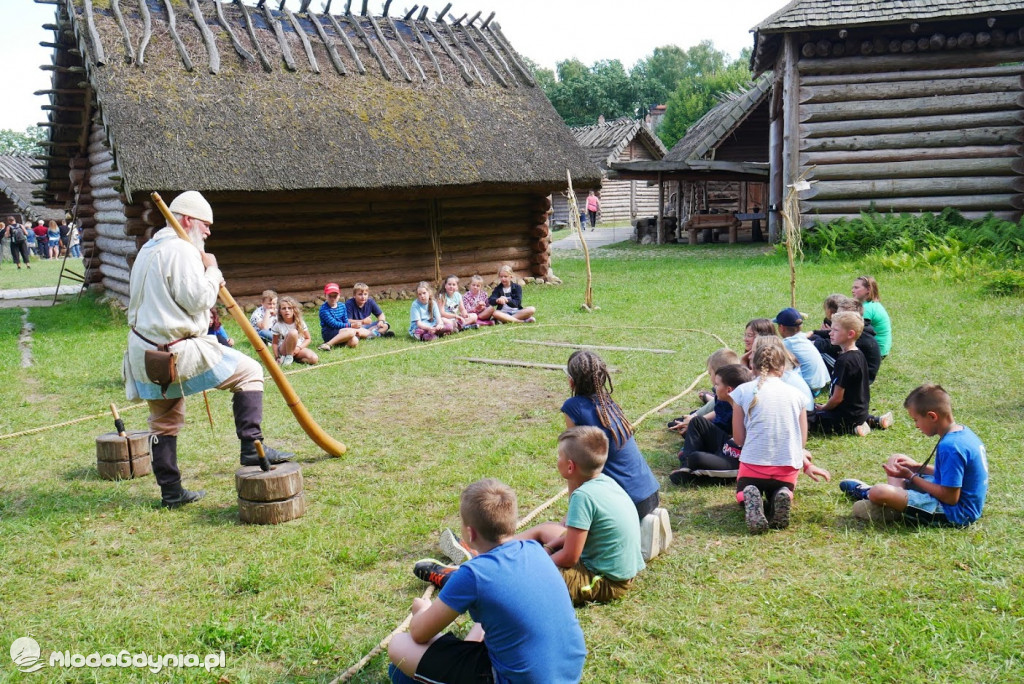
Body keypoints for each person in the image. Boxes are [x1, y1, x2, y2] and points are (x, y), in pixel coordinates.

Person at [123, 191, 293, 508]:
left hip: (144, 352)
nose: (208, 231)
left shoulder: (148, 248)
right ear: (187, 220)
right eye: (205, 224)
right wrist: (213, 271)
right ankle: (250, 446)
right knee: (251, 372)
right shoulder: (181, 250)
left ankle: (171, 492)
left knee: (163, 422)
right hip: (177, 350)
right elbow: (199, 299)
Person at [391, 479, 586, 684]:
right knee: (401, 673)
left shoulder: (473, 574)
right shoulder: (535, 550)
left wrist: (421, 609)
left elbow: (419, 633)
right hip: (567, 674)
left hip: (517, 679)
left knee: (399, 647)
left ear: (470, 533)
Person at [561, 350, 669, 560]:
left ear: (571, 382)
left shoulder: (573, 407)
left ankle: (637, 534)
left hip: (627, 502)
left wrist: (572, 513)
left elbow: (573, 462)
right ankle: (646, 524)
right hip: (650, 493)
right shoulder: (608, 403)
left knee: (572, 539)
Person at [839, 384, 988, 527]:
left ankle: (872, 494)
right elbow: (951, 475)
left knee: (879, 491)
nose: (916, 425)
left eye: (916, 420)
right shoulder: (962, 433)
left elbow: (950, 497)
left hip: (956, 513)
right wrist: (916, 467)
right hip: (951, 496)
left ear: (932, 416)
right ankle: (894, 503)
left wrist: (912, 476)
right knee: (896, 459)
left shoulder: (951, 447)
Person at [731, 337, 831, 534]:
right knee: (782, 488)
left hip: (753, 465)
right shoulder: (797, 395)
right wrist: (807, 464)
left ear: (752, 365)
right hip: (787, 467)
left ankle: (750, 495)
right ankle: (784, 493)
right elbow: (801, 441)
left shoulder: (742, 392)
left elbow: (739, 439)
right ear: (783, 367)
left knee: (742, 492)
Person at [809, 312, 891, 437]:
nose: (830, 333)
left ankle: (851, 428)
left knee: (807, 416)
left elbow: (837, 398)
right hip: (859, 412)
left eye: (835, 330)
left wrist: (825, 407)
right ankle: (869, 421)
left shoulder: (844, 361)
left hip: (843, 416)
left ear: (850, 334)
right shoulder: (859, 354)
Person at [671, 363, 752, 486]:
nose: (714, 388)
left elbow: (740, 441)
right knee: (697, 421)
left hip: (736, 459)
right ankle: (686, 468)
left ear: (729, 390)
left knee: (696, 458)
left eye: (717, 385)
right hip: (727, 446)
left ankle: (697, 473)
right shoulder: (731, 403)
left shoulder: (744, 407)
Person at [773, 307, 829, 396]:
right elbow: (807, 334)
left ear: (782, 327)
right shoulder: (801, 337)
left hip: (807, 390)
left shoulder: (788, 343)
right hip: (818, 386)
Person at [852, 275, 892, 358]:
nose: (852, 290)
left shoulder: (867, 308)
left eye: (856, 288)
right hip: (881, 349)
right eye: (853, 288)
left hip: (876, 352)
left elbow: (858, 331)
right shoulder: (872, 304)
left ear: (868, 289)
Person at [272, 296, 318, 365]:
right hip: (284, 350)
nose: (287, 310)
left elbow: (308, 338)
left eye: (289, 308)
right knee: (293, 332)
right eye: (284, 308)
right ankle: (288, 357)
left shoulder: (300, 323)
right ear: (280, 312)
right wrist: (276, 357)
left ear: (294, 310)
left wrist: (299, 348)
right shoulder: (278, 325)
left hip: (297, 348)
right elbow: (275, 343)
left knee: (314, 359)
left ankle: (292, 358)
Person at [318, 282, 361, 351]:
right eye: (330, 296)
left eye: (335, 296)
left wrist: (350, 328)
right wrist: (351, 326)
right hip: (329, 332)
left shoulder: (342, 306)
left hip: (342, 330)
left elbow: (345, 320)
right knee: (351, 332)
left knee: (354, 341)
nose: (332, 298)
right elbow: (334, 324)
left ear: (339, 295)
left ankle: (336, 344)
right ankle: (328, 344)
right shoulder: (323, 309)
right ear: (325, 295)